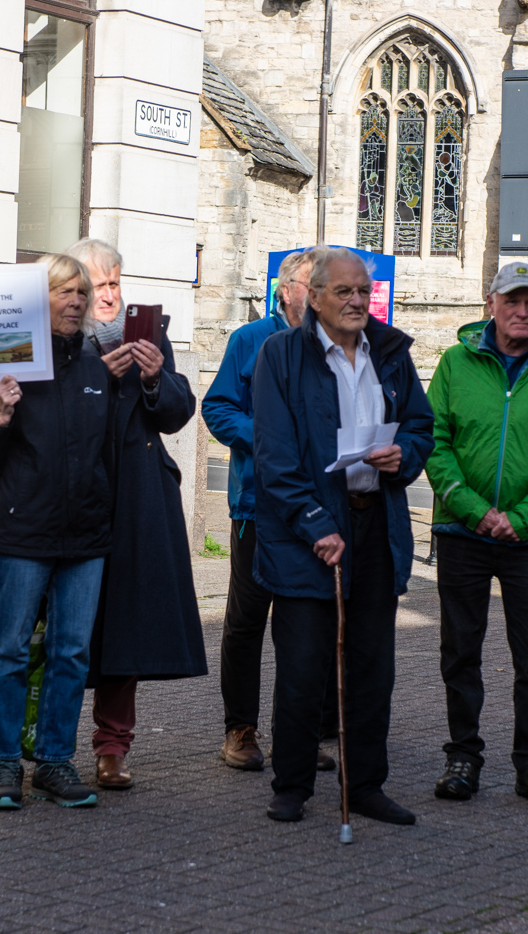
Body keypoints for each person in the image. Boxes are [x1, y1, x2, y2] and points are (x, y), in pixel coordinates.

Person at [251, 247, 434, 825]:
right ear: (314, 297)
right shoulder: (281, 355)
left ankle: (365, 786)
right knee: (304, 666)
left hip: (375, 523)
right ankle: (292, 785)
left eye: (363, 291)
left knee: (372, 665)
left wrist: (404, 455)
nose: (357, 301)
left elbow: (421, 426)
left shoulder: (391, 352)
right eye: (344, 292)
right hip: (306, 532)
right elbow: (274, 455)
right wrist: (315, 524)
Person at [425, 263, 528, 806]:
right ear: (490, 304)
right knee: (460, 652)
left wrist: (521, 518)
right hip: (462, 533)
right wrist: (473, 510)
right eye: (512, 301)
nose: (522, 312)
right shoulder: (455, 363)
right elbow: (434, 440)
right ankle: (463, 756)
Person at [0, 253, 113, 811]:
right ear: (36, 300)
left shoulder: (96, 368)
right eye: (63, 291)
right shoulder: (9, 362)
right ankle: (4, 761)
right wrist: (0, 418)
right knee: (10, 651)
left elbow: (109, 454)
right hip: (22, 535)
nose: (76, 301)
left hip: (85, 537)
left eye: (82, 292)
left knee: (71, 653)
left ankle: (53, 761)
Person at [66, 238, 205, 791]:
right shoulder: (57, 337)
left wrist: (152, 378)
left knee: (122, 624)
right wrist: (96, 376)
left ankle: (112, 746)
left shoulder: (145, 332)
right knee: (66, 629)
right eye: (96, 285)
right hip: (73, 495)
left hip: (136, 497)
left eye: (114, 284)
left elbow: (178, 411)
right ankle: (48, 743)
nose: (107, 295)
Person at [203, 249, 337, 772]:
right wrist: (266, 438)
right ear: (285, 290)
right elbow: (217, 407)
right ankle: (240, 730)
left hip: (319, 510)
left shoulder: (336, 345)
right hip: (258, 507)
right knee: (247, 621)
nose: (320, 293)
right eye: (311, 283)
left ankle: (296, 736)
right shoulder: (249, 340)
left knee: (304, 628)